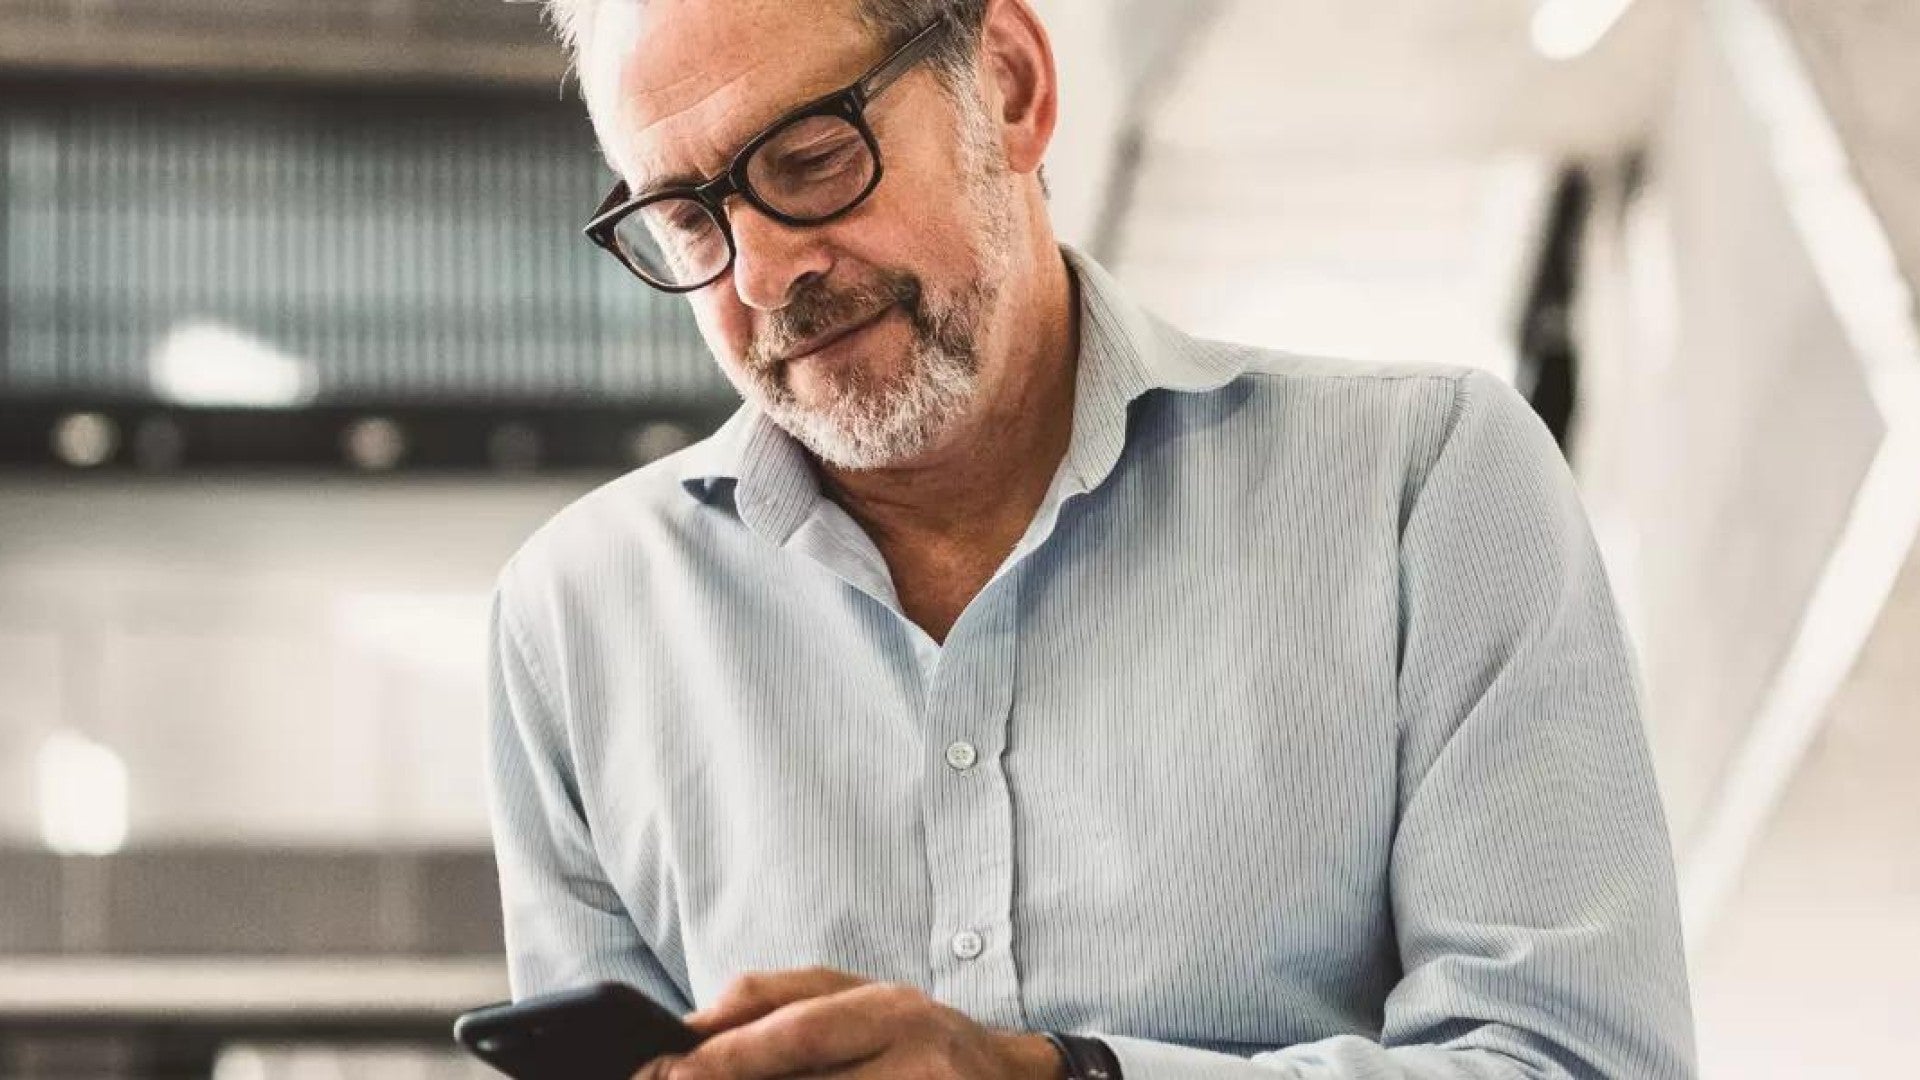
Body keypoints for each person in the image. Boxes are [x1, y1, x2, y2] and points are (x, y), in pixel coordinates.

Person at [482, 1, 1697, 1077]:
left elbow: (1574, 1060)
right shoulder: (574, 619)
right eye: (688, 222)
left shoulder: (1423, 484)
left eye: (809, 162)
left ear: (1009, 87)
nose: (760, 274)